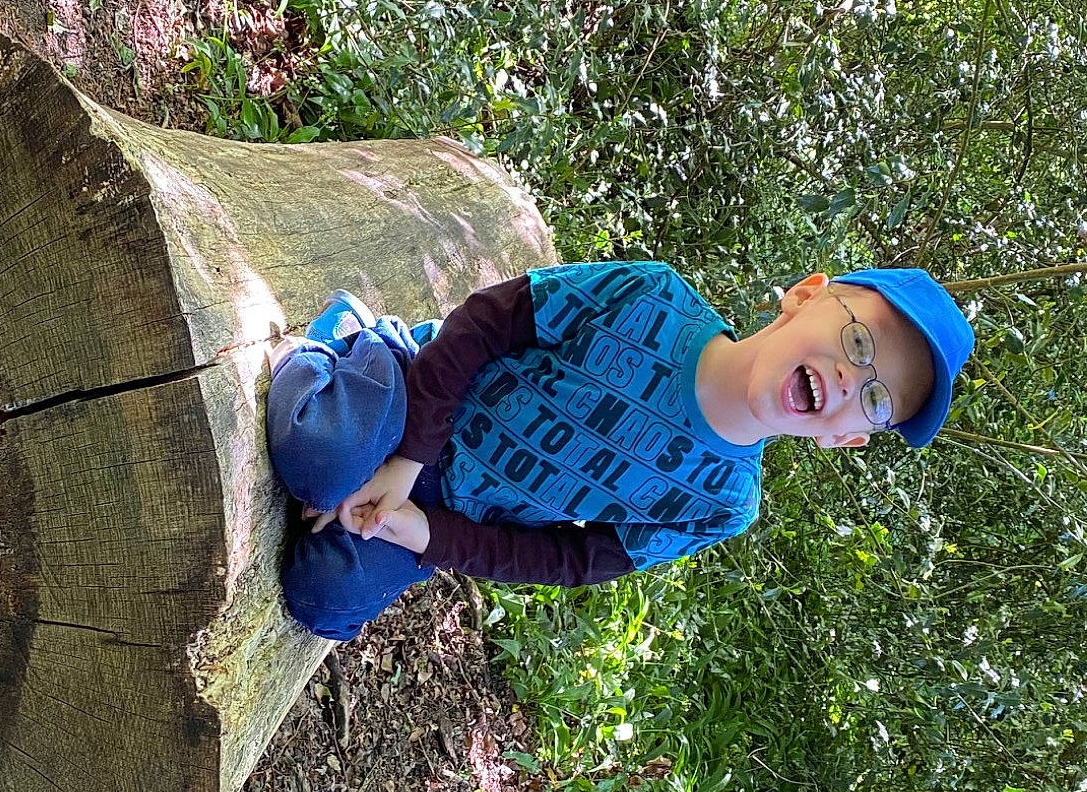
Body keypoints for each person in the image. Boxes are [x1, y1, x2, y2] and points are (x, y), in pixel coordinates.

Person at [267, 261, 974, 640]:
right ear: (805, 296)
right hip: (417, 392)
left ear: (845, 437)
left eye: (877, 402)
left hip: (442, 513)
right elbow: (489, 321)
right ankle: (340, 343)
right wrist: (407, 458)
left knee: (325, 599)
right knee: (322, 455)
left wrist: (419, 530)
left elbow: (571, 560)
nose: (853, 380)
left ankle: (353, 500)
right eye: (858, 340)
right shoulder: (653, 298)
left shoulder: (723, 504)